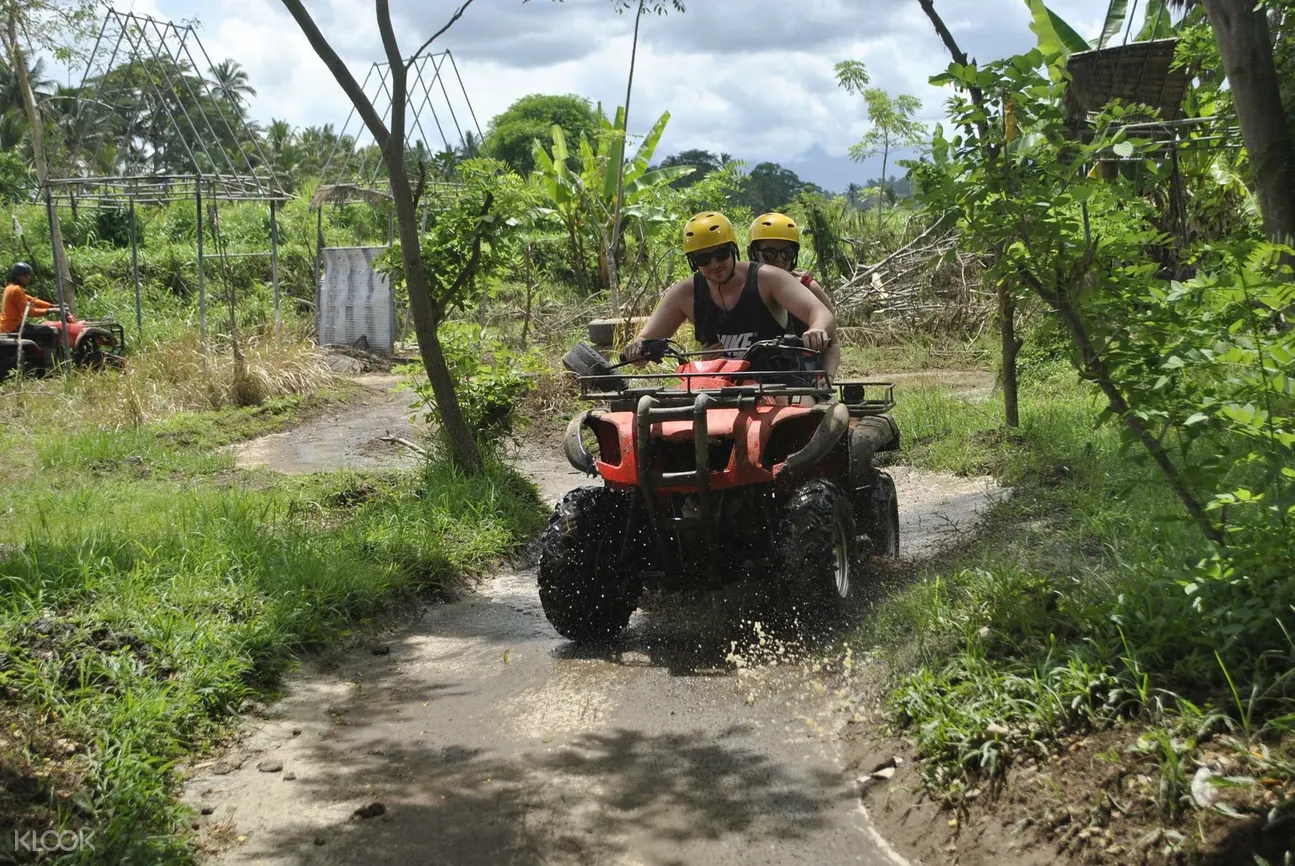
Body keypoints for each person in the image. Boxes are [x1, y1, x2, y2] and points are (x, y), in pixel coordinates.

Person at [624, 212, 835, 365]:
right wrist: (637, 349)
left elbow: (820, 311)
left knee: (801, 414)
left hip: (777, 383)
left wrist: (817, 328)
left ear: (733, 249)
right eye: (703, 258)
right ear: (692, 262)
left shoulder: (769, 278)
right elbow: (644, 344)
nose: (715, 264)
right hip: (714, 386)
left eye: (722, 253)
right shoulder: (684, 294)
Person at [747, 212, 841, 379]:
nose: (780, 260)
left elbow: (832, 342)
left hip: (800, 378)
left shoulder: (807, 287)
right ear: (753, 253)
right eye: (770, 254)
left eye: (787, 253)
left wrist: (827, 380)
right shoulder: (740, 290)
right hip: (751, 377)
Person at [1, 262, 64, 356]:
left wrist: (51, 305)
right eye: (26, 275)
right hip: (14, 328)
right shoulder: (16, 290)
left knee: (39, 330)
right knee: (52, 331)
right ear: (18, 276)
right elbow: (30, 312)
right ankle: (49, 363)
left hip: (7, 326)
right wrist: (51, 311)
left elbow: (30, 299)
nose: (28, 277)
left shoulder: (10, 288)